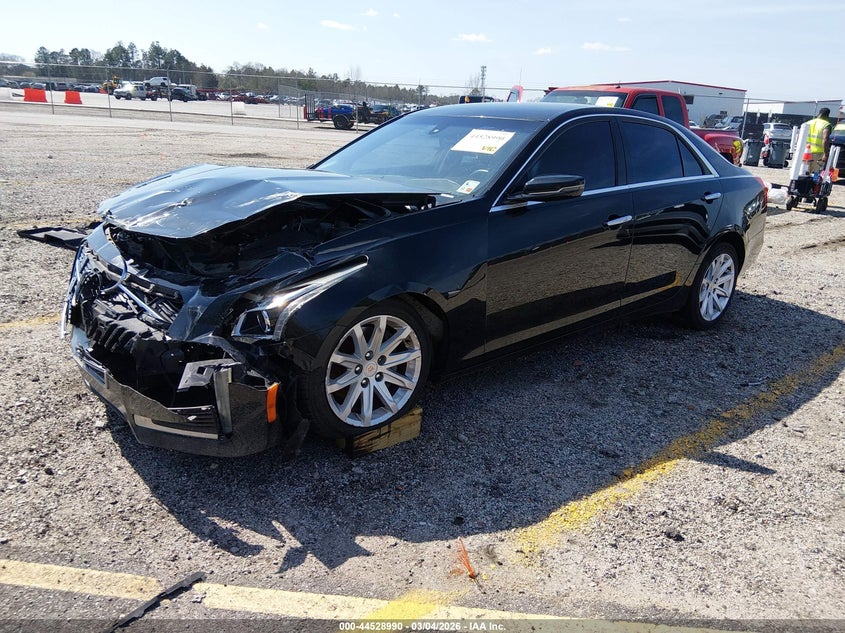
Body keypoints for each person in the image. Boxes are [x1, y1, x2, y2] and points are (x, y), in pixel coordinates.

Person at [806, 107, 832, 173]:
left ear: (819, 113)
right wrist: (826, 154)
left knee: (803, 173)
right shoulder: (826, 124)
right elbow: (825, 139)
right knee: (814, 175)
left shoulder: (808, 123)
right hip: (818, 154)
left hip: (805, 152)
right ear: (827, 115)